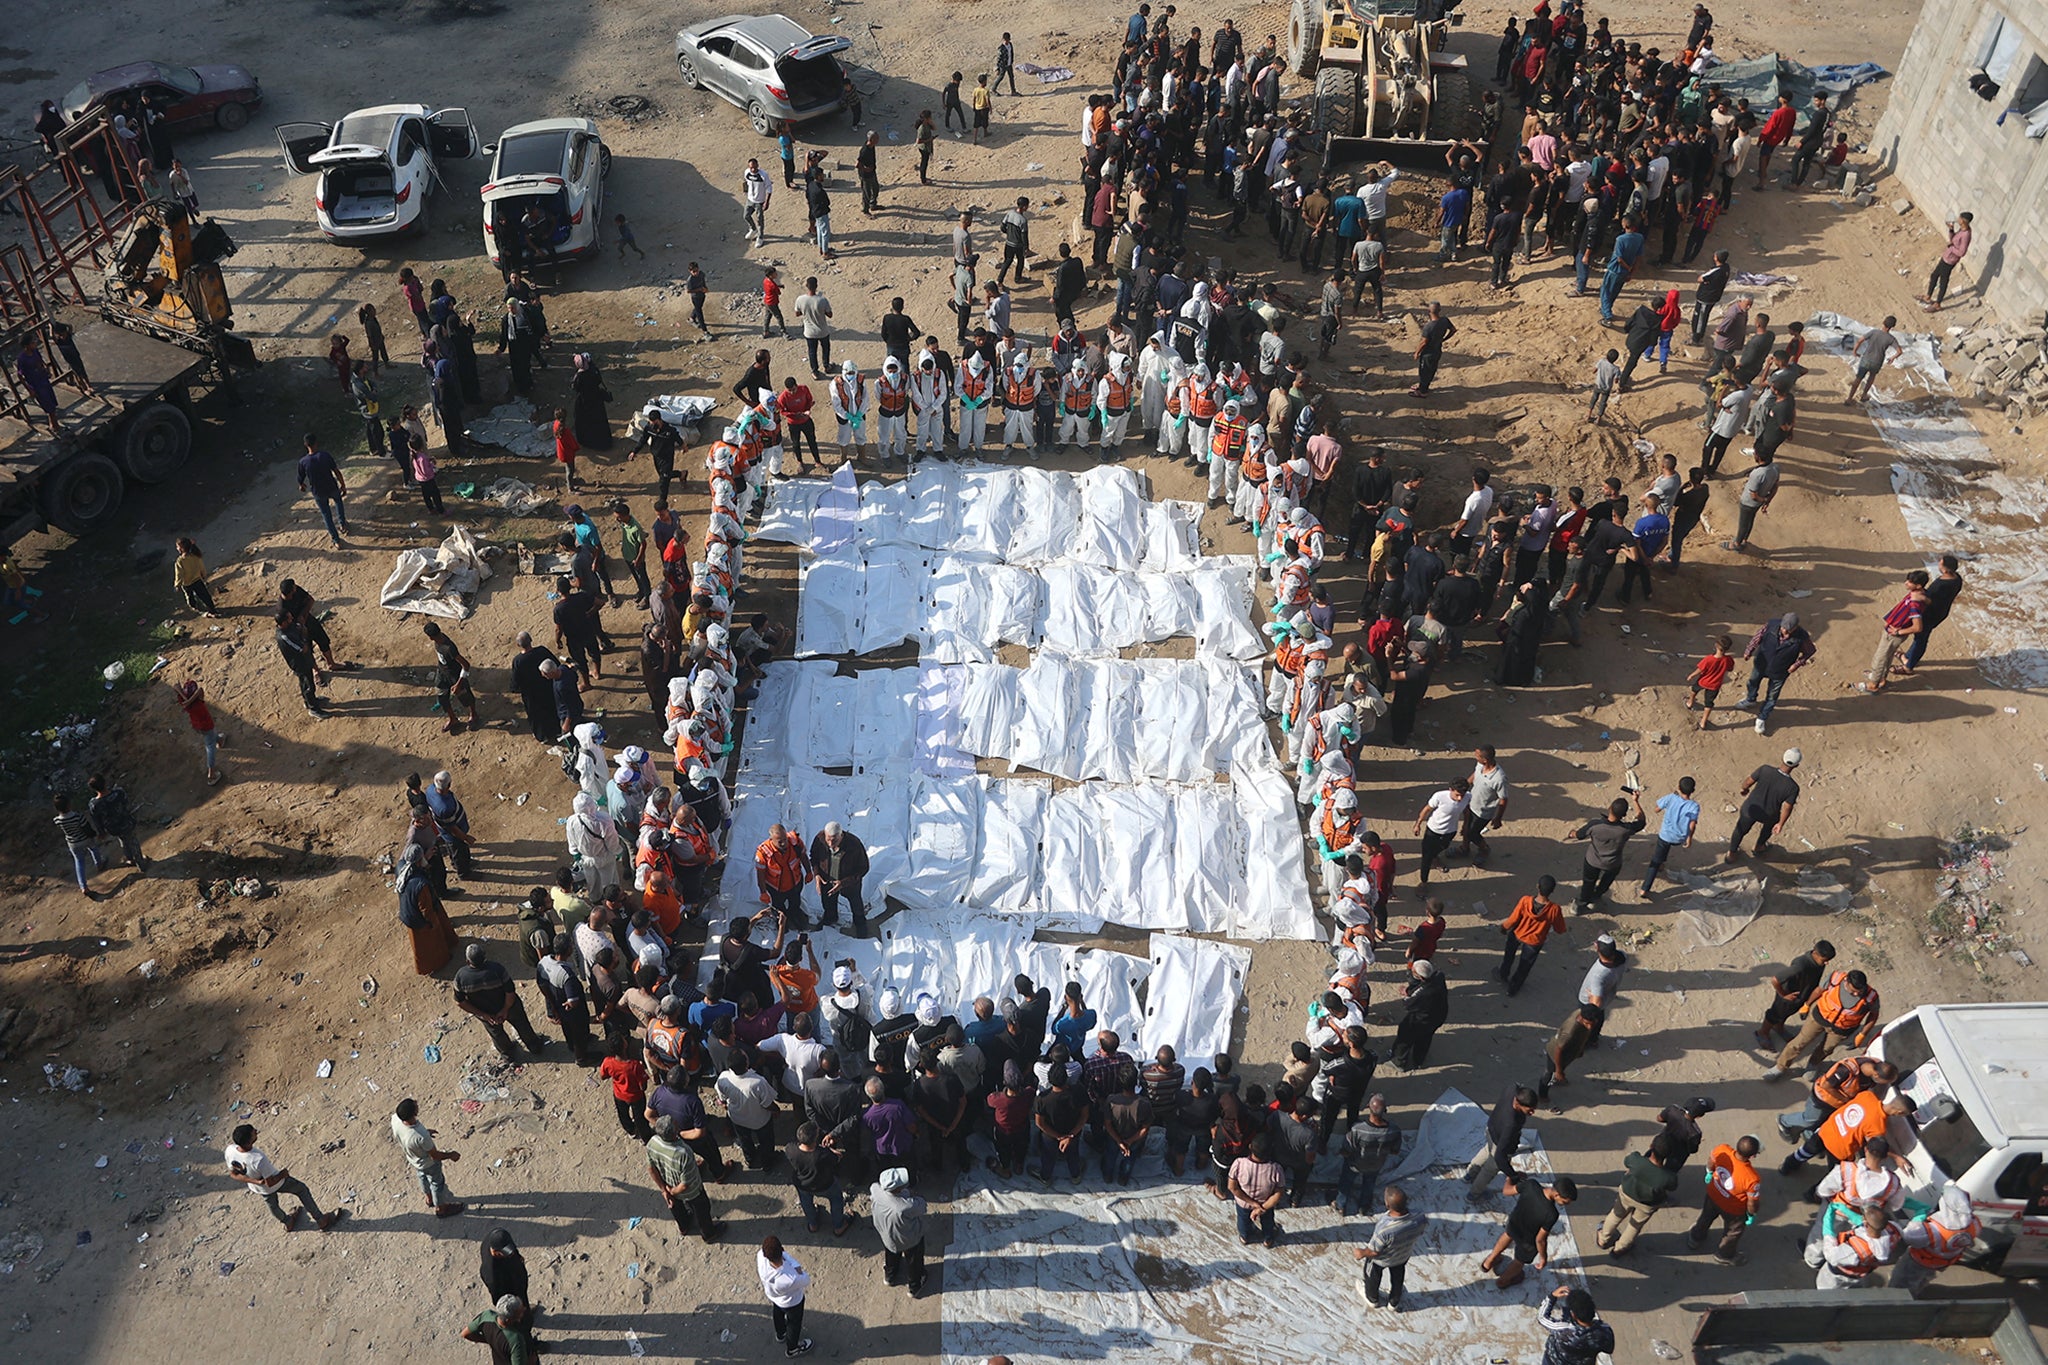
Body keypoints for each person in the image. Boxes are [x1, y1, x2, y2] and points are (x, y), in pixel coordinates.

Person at [224, 1122, 344, 1232]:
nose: (256, 1131)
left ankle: (288, 1222)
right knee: (302, 1190)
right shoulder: (258, 1159)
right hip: (277, 1182)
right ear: (249, 1142)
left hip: (260, 1189)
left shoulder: (230, 1151)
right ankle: (321, 1220)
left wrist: (254, 1181)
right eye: (253, 1132)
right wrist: (283, 1174)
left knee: (273, 1206)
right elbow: (270, 1183)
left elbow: (233, 1174)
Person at [1766, 966, 1881, 1079]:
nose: (1856, 994)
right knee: (1799, 1042)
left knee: (1826, 1049)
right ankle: (1780, 1067)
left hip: (1841, 1029)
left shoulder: (1870, 997)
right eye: (1853, 991)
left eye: (1859, 991)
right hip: (1819, 1017)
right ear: (1846, 981)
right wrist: (1807, 1004)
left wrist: (1863, 1034)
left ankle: (1813, 1064)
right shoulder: (1835, 979)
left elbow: (1873, 1015)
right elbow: (1819, 990)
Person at [454, 942, 547, 1062]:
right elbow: (510, 992)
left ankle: (508, 1054)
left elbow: (460, 1002)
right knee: (522, 1025)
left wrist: (483, 1015)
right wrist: (505, 1010)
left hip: (487, 1013)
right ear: (484, 957)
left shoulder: (460, 977)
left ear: (468, 961)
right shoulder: (496, 969)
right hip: (509, 1007)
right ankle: (534, 1046)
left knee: (497, 1034)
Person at [1479, 1175, 1576, 1288]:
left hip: (1514, 1224)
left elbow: (1506, 1191)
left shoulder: (1531, 1185)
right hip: (1528, 1242)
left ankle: (1489, 1262)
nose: (1566, 1205)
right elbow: (1540, 1239)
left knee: (1507, 1235)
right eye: (1565, 1202)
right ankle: (1503, 1281)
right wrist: (1543, 1257)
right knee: (1519, 1261)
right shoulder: (1551, 1214)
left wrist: (1509, 1179)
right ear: (1557, 1195)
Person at [1596, 1134, 1681, 1256]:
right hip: (1648, 1205)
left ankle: (1603, 1239)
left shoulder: (1637, 1161)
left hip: (1627, 1194)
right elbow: (1672, 1187)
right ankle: (1620, 1248)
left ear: (1651, 1146)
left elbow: (1627, 1161)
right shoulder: (1668, 1177)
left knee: (1615, 1215)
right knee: (1634, 1226)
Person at [1735, 612, 1816, 735]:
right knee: (1752, 682)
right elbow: (1758, 636)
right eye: (1784, 628)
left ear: (1796, 628)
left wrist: (1797, 664)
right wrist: (1749, 650)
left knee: (1772, 697)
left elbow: (1810, 651)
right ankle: (1750, 699)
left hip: (1781, 671)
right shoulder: (1771, 625)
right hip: (1761, 663)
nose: (1785, 632)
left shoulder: (1802, 637)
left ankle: (1762, 718)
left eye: (1789, 630)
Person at [648, 1114, 724, 1243]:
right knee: (702, 1210)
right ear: (673, 1133)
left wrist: (665, 1191)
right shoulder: (683, 1152)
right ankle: (709, 1234)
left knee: (676, 1206)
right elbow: (685, 1185)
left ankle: (684, 1227)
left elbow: (651, 1169)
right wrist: (673, 1191)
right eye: (676, 1124)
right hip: (691, 1191)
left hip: (667, 1183)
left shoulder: (652, 1143)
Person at [1892, 1187, 1980, 1296]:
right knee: (1924, 1279)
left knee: (1902, 1284)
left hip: (1918, 1261)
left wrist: (1917, 1219)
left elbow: (1908, 1236)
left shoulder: (1933, 1229)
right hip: (1942, 1263)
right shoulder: (1974, 1224)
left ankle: (1898, 1300)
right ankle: (1916, 1291)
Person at [1569, 790, 1646, 913]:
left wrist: (1572, 833)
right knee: (1605, 883)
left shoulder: (1595, 825)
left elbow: (1579, 835)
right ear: (1624, 815)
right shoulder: (1626, 829)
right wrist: (1635, 801)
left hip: (1592, 861)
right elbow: (1641, 822)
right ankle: (1596, 897)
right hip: (1613, 863)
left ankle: (1581, 904)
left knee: (1588, 882)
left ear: (1609, 808)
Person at [1352, 1184, 1428, 1310]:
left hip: (1381, 1260)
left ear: (1387, 1205)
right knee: (1398, 1278)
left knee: (1372, 1276)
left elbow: (1374, 1252)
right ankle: (1394, 1302)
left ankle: (1372, 1299)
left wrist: (1361, 1252)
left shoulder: (1384, 1228)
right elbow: (1421, 1231)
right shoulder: (1419, 1217)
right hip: (1402, 1256)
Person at [390, 1097, 463, 1217]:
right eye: (415, 1105)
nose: (417, 1103)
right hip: (429, 1164)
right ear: (414, 1113)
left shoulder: (395, 1120)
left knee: (422, 1177)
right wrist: (451, 1155)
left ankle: (428, 1198)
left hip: (414, 1160)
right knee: (437, 1183)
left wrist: (425, 1132)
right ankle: (441, 1208)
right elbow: (435, 1155)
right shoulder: (421, 1137)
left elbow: (408, 1134)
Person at [1464, 1083, 1538, 1197]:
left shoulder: (1511, 1089)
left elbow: (1514, 1084)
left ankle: (1469, 1174)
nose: (1533, 1113)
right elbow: (1499, 1157)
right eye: (1529, 1110)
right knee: (1489, 1171)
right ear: (1518, 1103)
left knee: (1486, 1150)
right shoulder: (1511, 1125)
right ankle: (1474, 1194)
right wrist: (1513, 1175)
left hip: (1491, 1130)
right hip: (1500, 1142)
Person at [1729, 748, 1802, 861]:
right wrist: (1780, 824)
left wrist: (1744, 789)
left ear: (1782, 759)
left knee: (1740, 830)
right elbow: (1787, 807)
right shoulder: (1792, 787)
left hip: (1750, 809)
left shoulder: (1765, 769)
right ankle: (1759, 846)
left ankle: (1731, 854)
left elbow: (1748, 781)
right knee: (1768, 827)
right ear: (1796, 766)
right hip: (1769, 814)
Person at [1335, 1094, 1402, 1216]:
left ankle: (1341, 1205)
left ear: (1368, 1108)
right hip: (1376, 1165)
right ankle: (1364, 1207)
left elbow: (1346, 1150)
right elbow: (1395, 1151)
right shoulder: (1394, 1131)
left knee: (1346, 1183)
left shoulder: (1358, 1130)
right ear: (1385, 1110)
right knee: (1369, 1184)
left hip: (1355, 1164)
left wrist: (1342, 1153)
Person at [1498, 876, 1566, 994]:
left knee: (1509, 956)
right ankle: (1513, 987)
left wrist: (1504, 928)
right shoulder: (1554, 909)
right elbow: (1559, 929)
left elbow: (1513, 919)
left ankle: (1503, 974)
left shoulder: (1525, 900)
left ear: (1537, 886)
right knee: (1525, 965)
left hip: (1517, 934)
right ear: (1552, 891)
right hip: (1534, 941)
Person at [871, 1166, 927, 1296]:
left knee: (891, 1254)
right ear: (896, 1189)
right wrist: (913, 1196)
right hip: (909, 1239)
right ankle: (915, 1286)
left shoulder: (875, 1189)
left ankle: (890, 1277)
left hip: (886, 1235)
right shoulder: (905, 1206)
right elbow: (922, 1206)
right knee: (914, 1261)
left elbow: (875, 1188)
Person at [1639, 778, 1699, 894]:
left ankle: (1644, 889)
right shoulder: (1694, 806)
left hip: (1665, 835)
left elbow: (1656, 809)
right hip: (1679, 838)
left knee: (1655, 861)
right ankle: (1662, 864)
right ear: (1693, 790)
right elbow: (1692, 825)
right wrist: (1689, 838)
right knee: (1666, 849)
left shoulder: (1671, 797)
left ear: (1678, 787)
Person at [1228, 1134, 1288, 1247]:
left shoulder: (1239, 1164)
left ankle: (1245, 1237)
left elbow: (1232, 1187)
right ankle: (1268, 1240)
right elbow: (1278, 1193)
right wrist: (1261, 1208)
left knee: (1243, 1221)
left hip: (1244, 1203)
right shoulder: (1276, 1169)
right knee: (1268, 1222)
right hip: (1266, 1204)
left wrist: (1252, 1203)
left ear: (1250, 1147)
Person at [757, 1236, 814, 1357]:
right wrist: (796, 1265)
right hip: (792, 1302)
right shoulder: (790, 1278)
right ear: (782, 1249)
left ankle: (780, 1333)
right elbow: (805, 1279)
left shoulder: (760, 1258)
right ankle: (792, 1348)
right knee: (794, 1323)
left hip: (774, 1297)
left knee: (778, 1313)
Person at [1390, 959, 1447, 1070]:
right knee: (1425, 1039)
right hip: (1439, 1015)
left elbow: (1408, 1004)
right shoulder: (1439, 976)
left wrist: (1407, 994)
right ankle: (1418, 1060)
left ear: (1420, 977)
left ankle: (1398, 1061)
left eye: (1413, 971)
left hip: (1421, 1020)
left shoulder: (1423, 993)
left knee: (1405, 1037)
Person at [296, 433, 349, 548]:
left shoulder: (303, 462)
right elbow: (336, 471)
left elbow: (300, 479)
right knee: (338, 502)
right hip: (331, 486)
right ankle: (343, 524)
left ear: (305, 445)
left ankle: (336, 540)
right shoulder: (325, 455)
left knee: (326, 515)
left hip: (318, 492)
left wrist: (302, 485)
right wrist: (343, 485)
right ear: (316, 443)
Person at [1539, 1286, 1614, 1365]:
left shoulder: (1563, 1330)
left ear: (1573, 1315)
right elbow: (1609, 1349)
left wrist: (1552, 1296)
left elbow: (1542, 1318)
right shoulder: (1604, 1331)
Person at [172, 676, 224, 785]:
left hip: (197, 726)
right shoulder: (199, 700)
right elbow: (200, 690)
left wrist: (183, 695)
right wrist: (189, 699)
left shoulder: (184, 702)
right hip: (207, 725)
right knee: (210, 747)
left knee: (211, 736)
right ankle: (211, 774)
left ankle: (220, 740)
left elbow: (179, 692)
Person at [1918, 212, 1972, 312]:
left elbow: (1962, 252)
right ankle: (1928, 296)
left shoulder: (1966, 235)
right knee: (1934, 275)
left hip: (1950, 260)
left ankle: (1937, 303)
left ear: (1963, 221)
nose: (1958, 219)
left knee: (1943, 280)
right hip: (1946, 257)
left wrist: (1951, 249)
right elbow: (1953, 240)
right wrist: (1951, 229)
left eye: (1959, 218)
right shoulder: (1962, 230)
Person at [1844, 315, 1901, 402]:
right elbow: (1899, 351)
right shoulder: (1891, 339)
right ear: (1892, 327)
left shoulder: (1874, 332)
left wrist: (1855, 351)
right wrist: (1892, 358)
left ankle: (1849, 399)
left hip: (1866, 359)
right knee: (1871, 378)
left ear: (1883, 322)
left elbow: (1860, 340)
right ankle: (1864, 395)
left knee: (1858, 378)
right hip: (1877, 362)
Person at [1410, 302, 1455, 396]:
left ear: (1429, 311)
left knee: (1424, 371)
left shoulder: (1429, 327)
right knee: (1431, 370)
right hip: (1437, 350)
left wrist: (1416, 352)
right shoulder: (1445, 320)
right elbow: (1453, 330)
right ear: (1440, 310)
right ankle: (1423, 386)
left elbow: (1424, 342)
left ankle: (1422, 392)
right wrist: (1444, 339)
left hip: (1427, 353)